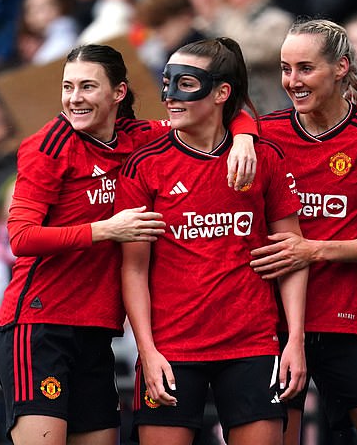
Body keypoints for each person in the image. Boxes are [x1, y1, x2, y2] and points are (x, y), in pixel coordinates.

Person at [0, 43, 258, 445]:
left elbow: (217, 113)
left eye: (87, 86)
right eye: (67, 87)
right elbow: (22, 237)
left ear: (118, 92)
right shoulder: (47, 147)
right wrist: (106, 229)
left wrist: (243, 140)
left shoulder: (140, 137)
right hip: (39, 327)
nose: (74, 98)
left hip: (97, 332)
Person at [116, 36, 308, 445]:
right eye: (166, 82)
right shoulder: (146, 164)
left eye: (185, 84)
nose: (169, 95)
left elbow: (293, 254)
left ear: (222, 92)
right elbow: (133, 267)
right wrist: (146, 351)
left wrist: (295, 340)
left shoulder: (264, 157)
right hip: (171, 350)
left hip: (253, 344)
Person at [248, 19, 357, 444]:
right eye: (285, 69)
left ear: (341, 66)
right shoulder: (264, 134)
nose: (292, 81)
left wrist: (312, 250)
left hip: (347, 326)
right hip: (274, 329)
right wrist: (239, 135)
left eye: (305, 68)